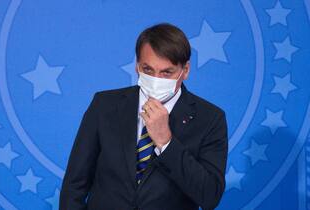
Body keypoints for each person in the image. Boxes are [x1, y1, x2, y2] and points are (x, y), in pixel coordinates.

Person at [59, 23, 228, 210]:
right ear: (137, 66)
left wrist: (166, 142)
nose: (156, 80)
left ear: (185, 70)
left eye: (166, 72)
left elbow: (209, 196)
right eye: (148, 70)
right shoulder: (104, 105)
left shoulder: (210, 119)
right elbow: (74, 185)